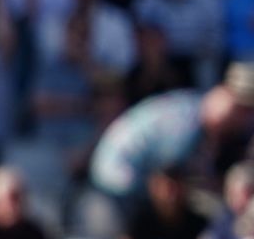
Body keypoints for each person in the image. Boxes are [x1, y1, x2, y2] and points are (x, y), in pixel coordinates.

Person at [89, 62, 254, 212]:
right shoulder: (187, 123)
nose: (243, 118)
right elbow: (166, 176)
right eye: (242, 109)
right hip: (116, 179)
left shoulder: (198, 105)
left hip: (132, 178)